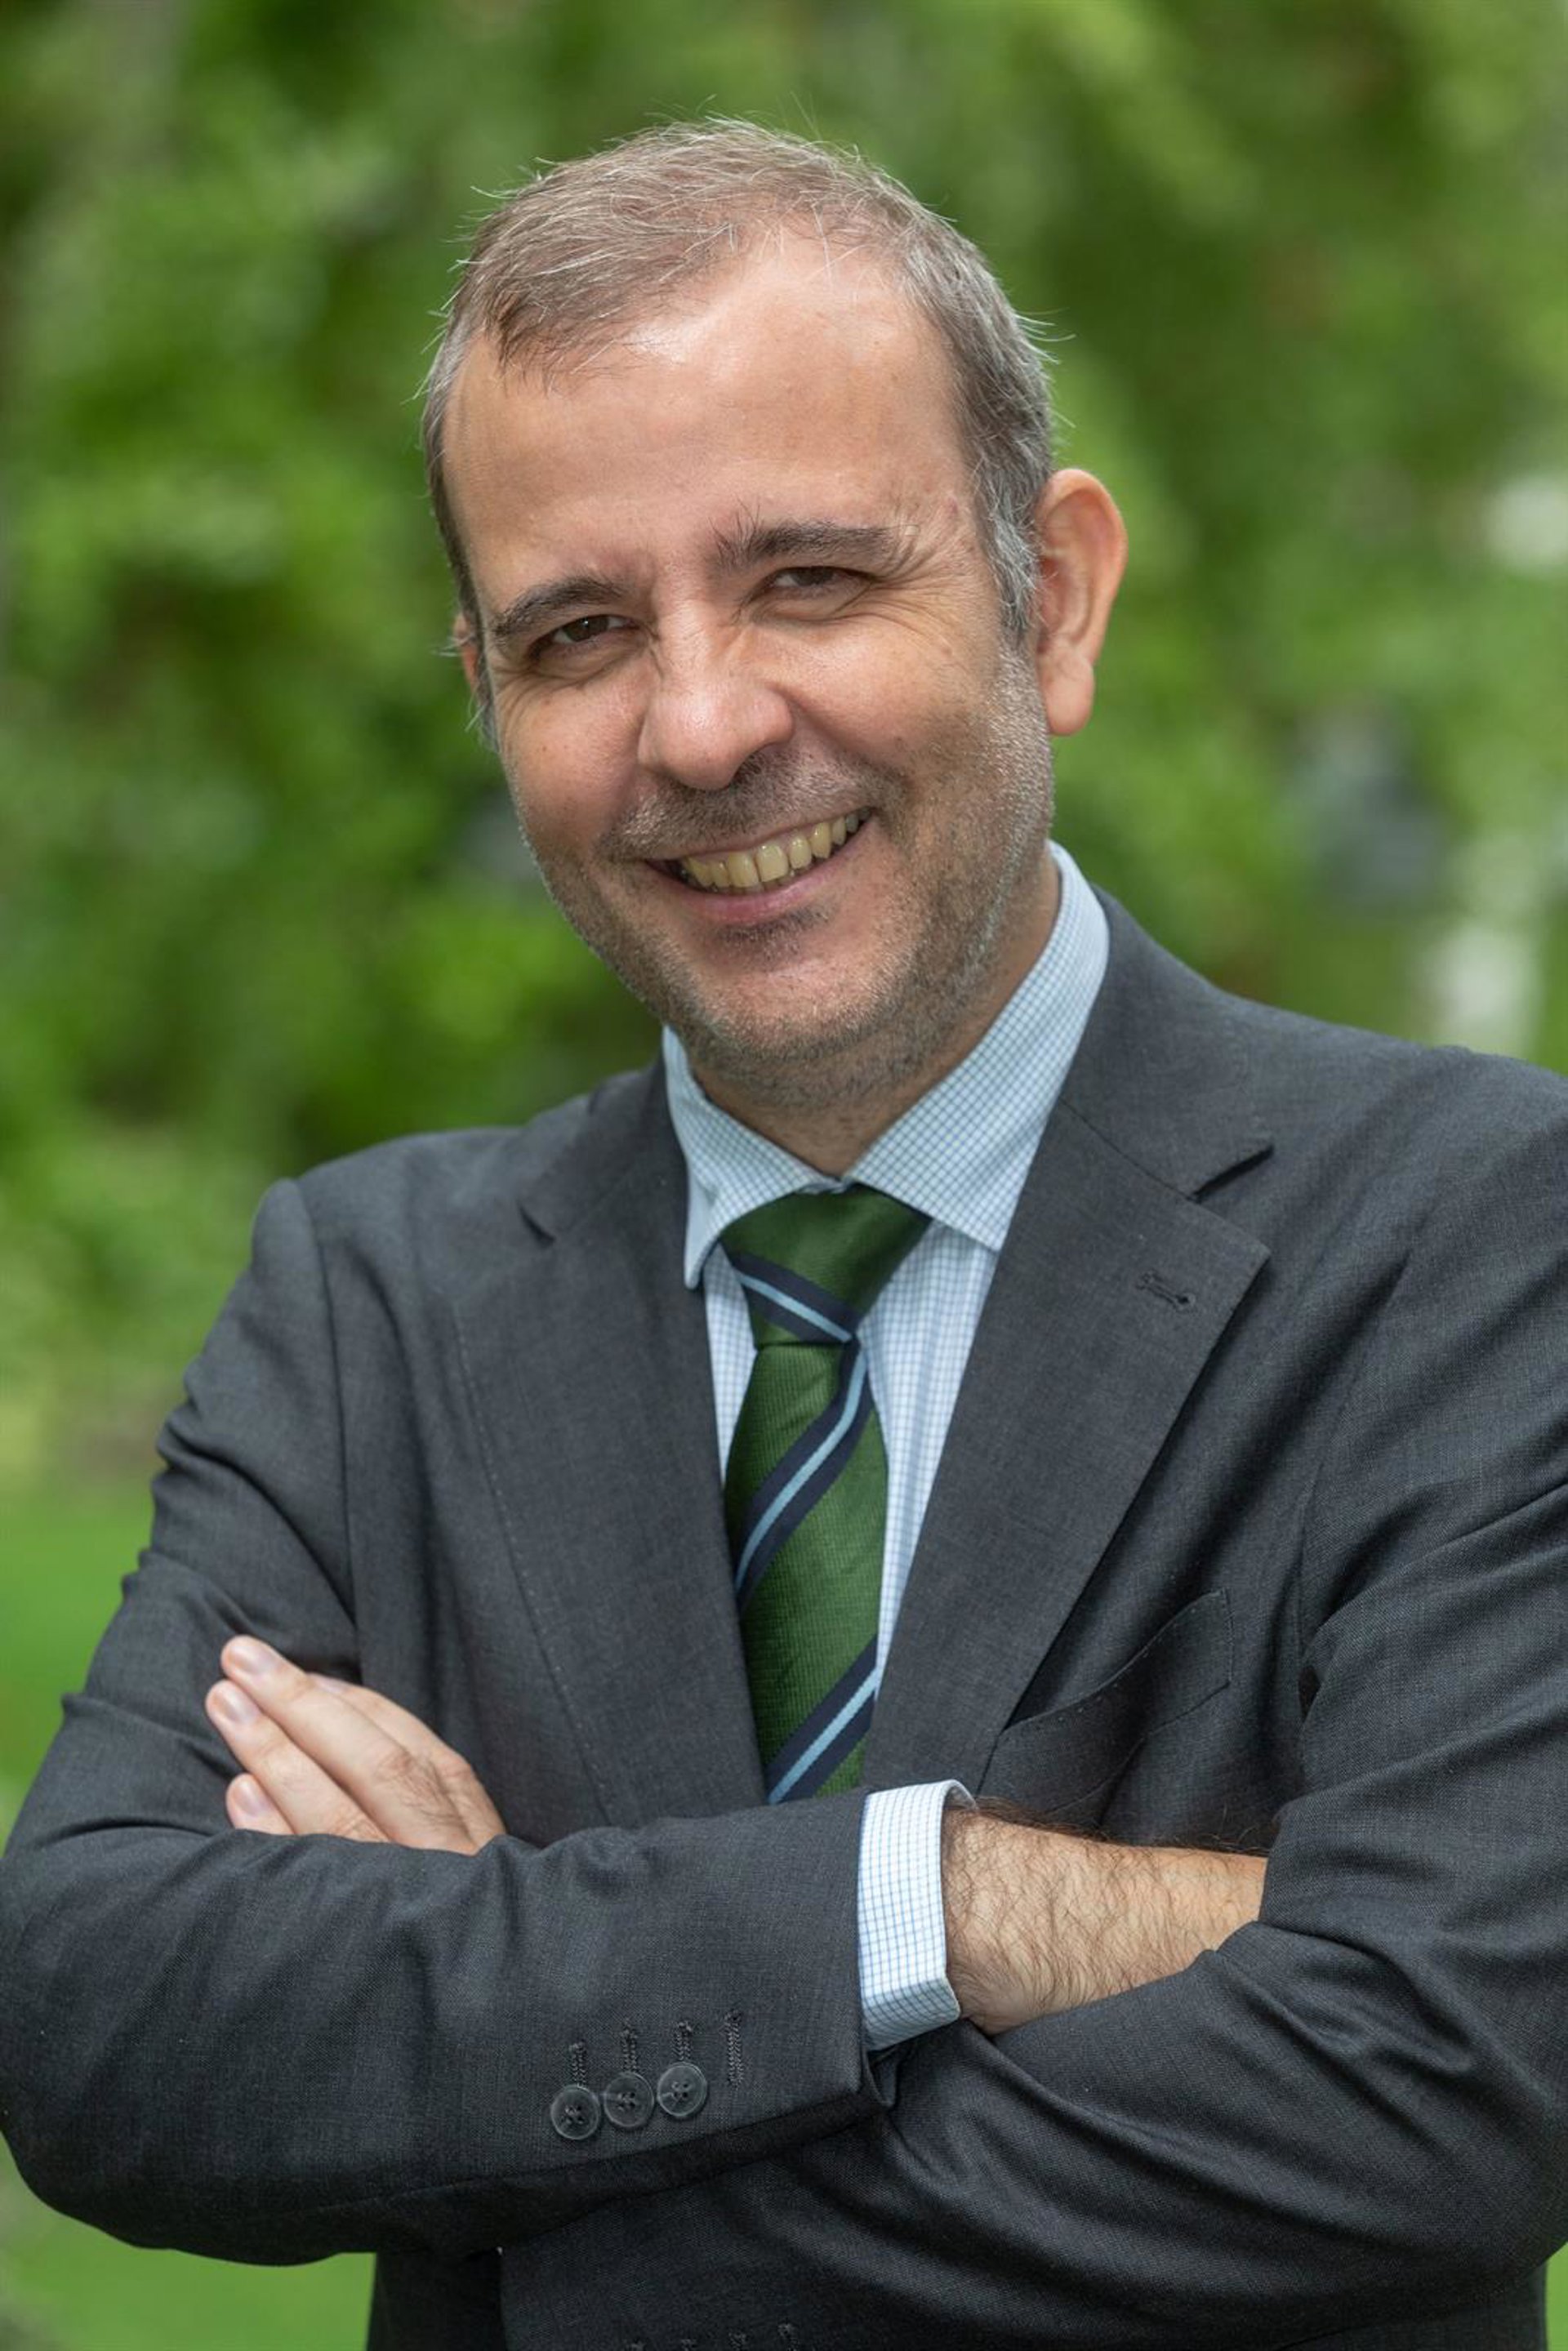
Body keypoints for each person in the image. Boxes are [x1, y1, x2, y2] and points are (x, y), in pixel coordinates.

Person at [2, 119, 1566, 2351]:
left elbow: (1451, 2072)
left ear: (1057, 599)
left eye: (811, 579)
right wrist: (942, 1898)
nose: (707, 723)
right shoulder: (371, 1303)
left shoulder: (1479, 1237)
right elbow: (101, 2025)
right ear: (487, 696)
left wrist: (504, 2057)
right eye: (578, 633)